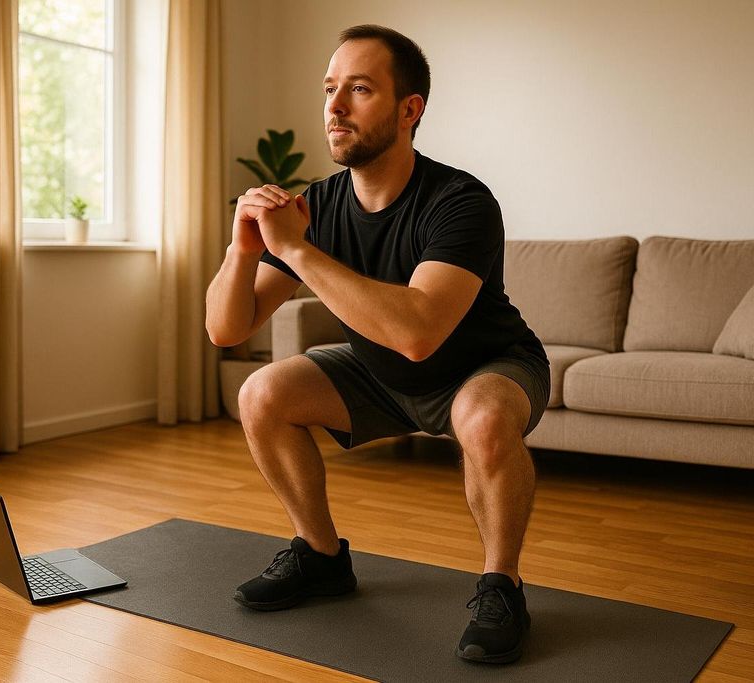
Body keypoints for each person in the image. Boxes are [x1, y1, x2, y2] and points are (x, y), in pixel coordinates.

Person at [205, 23, 550, 665]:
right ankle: (322, 556)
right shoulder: (319, 206)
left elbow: (418, 334)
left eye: (359, 89)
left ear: (409, 109)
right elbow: (226, 329)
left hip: (482, 367)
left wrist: (298, 251)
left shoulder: (461, 202)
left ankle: (503, 584)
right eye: (330, 88)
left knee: (484, 416)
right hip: (377, 374)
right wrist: (242, 246)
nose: (335, 107)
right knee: (261, 393)